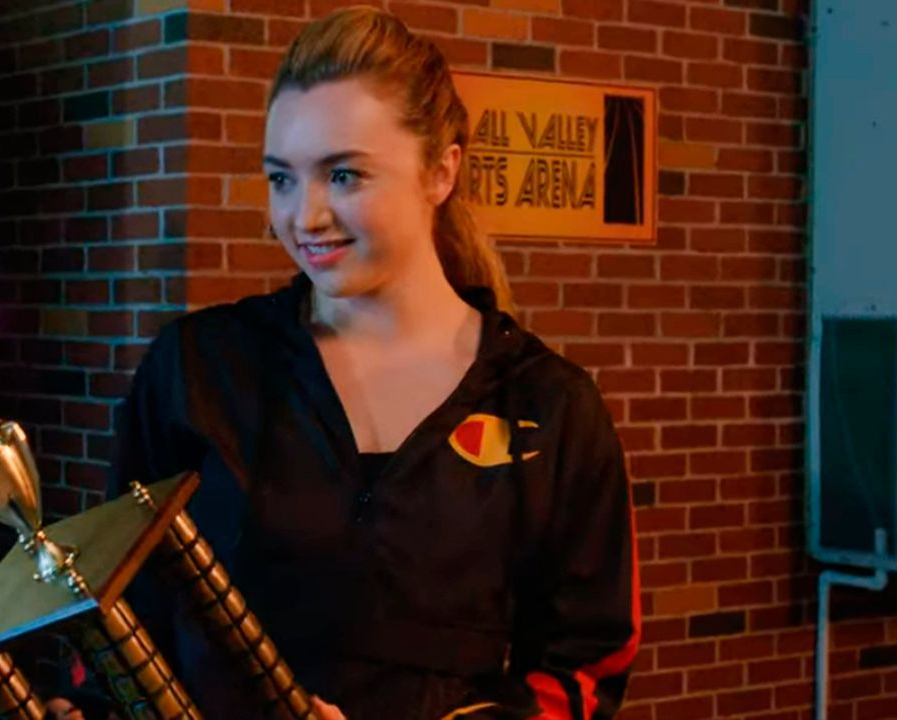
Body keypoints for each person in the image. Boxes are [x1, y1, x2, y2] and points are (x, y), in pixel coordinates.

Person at [106, 6, 640, 719]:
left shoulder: (549, 406)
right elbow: (121, 608)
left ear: (440, 172)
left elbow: (588, 665)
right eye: (282, 179)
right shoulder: (197, 369)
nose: (304, 217)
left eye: (344, 175)